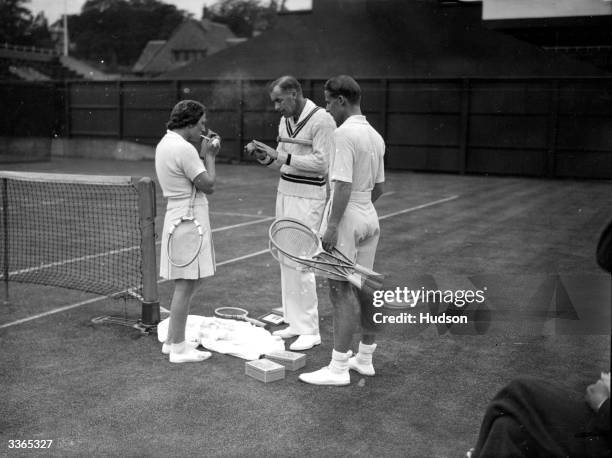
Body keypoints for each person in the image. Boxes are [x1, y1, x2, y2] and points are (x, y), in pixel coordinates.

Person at [298, 75, 385, 386]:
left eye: (328, 102)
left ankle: (337, 368)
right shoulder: (375, 135)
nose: (326, 108)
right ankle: (365, 359)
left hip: (348, 218)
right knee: (364, 286)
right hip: (369, 217)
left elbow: (343, 185)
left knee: (339, 289)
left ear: (341, 101)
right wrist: (361, 212)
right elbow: (380, 187)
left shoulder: (342, 134)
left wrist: (334, 225)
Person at [244, 76, 336, 351]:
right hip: (285, 193)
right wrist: (263, 156)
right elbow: (282, 165)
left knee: (302, 261)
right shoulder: (285, 120)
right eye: (274, 101)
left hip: (309, 198)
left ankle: (310, 330)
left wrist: (281, 157)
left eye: (279, 100)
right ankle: (295, 323)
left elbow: (322, 164)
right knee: (286, 259)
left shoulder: (322, 120)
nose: (276, 107)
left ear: (294, 94)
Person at [155, 100, 220, 363]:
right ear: (190, 123)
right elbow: (209, 184)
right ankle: (179, 347)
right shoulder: (184, 149)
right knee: (186, 284)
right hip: (188, 218)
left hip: (179, 216)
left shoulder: (166, 143)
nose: (204, 128)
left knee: (189, 282)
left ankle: (173, 341)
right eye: (202, 123)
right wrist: (210, 157)